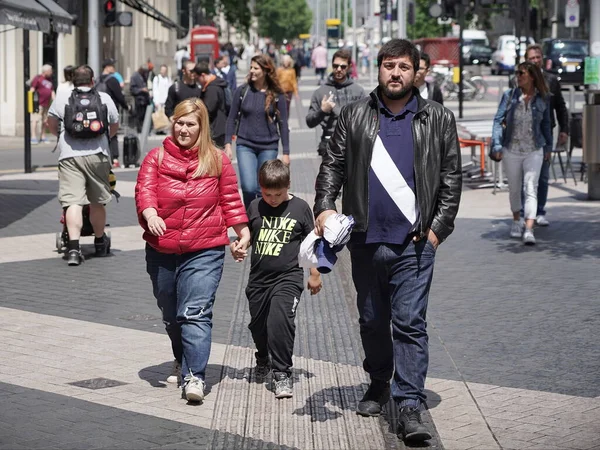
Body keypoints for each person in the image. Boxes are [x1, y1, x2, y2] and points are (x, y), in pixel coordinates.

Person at [313, 39, 462, 443]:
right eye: (388, 65)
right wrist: (324, 207)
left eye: (402, 67)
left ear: (416, 72)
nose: (395, 73)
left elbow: (451, 179)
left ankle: (409, 402)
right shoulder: (353, 115)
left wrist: (435, 232)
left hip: (414, 245)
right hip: (363, 240)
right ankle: (379, 381)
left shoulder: (438, 119)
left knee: (410, 323)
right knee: (372, 320)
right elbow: (333, 166)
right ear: (377, 69)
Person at [135, 98, 250, 401]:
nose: (183, 129)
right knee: (172, 314)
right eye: (179, 122)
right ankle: (181, 356)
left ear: (202, 127)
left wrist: (243, 232)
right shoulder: (155, 158)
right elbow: (144, 191)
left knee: (195, 312)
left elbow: (230, 200)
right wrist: (151, 215)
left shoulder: (217, 159)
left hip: (205, 248)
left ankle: (194, 377)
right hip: (162, 248)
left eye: (190, 124)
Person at [231, 159, 322, 398]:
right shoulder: (254, 207)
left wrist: (314, 274)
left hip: (288, 277)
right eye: (267, 193)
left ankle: (282, 373)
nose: (272, 199)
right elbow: (247, 236)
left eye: (278, 194)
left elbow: (311, 244)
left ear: (288, 185)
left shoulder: (301, 208)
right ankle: (263, 357)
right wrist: (239, 246)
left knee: (279, 322)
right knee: (258, 326)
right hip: (259, 279)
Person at [47, 65, 120, 266]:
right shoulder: (104, 98)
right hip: (98, 155)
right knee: (97, 201)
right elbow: (114, 124)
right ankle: (99, 242)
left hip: (70, 156)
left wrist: (61, 137)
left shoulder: (62, 97)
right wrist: (104, 139)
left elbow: (51, 123)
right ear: (92, 79)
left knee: (73, 201)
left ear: (73, 80)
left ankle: (73, 248)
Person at [491, 62, 551, 246]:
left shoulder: (542, 98)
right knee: (515, 189)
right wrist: (497, 145)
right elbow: (498, 120)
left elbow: (546, 124)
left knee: (530, 187)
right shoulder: (509, 96)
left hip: (534, 149)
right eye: (516, 73)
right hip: (512, 149)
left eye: (521, 73)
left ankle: (529, 228)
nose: (517, 76)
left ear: (532, 76)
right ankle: (517, 221)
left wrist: (548, 148)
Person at [224, 54, 290, 208]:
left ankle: (261, 222)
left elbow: (283, 123)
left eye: (256, 68)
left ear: (266, 70)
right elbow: (231, 118)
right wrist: (228, 144)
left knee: (265, 188)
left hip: (269, 146)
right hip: (245, 145)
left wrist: (286, 152)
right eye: (251, 67)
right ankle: (251, 219)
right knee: (248, 187)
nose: (252, 71)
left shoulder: (277, 94)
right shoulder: (242, 91)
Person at [523, 44, 569, 227]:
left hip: (545, 133)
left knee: (542, 175)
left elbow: (560, 106)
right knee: (525, 175)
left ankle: (539, 211)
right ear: (526, 60)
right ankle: (526, 212)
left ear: (542, 59)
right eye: (532, 58)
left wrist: (564, 129)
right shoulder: (520, 79)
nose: (535, 61)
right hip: (524, 133)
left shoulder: (551, 80)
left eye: (538, 57)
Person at [306, 49, 366, 157]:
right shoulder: (320, 92)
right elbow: (309, 122)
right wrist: (322, 111)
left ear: (349, 67)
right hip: (329, 144)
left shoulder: (358, 91)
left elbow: (365, 120)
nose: (338, 69)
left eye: (343, 67)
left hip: (353, 143)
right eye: (335, 66)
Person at [97, 59, 129, 167]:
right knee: (113, 132)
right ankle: (115, 159)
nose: (114, 68)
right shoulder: (112, 80)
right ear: (107, 67)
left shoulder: (97, 79)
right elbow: (119, 96)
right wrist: (126, 106)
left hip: (97, 109)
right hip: (110, 109)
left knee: (100, 132)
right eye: (112, 66)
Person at [194, 61, 229, 147]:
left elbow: (208, 108)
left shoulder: (212, 89)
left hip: (215, 129)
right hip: (219, 127)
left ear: (203, 75)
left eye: (197, 78)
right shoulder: (217, 84)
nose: (198, 82)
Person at [30, 64, 55, 144]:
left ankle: (43, 136)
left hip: (46, 104)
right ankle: (33, 137)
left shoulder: (50, 79)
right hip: (38, 104)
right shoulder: (38, 78)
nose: (51, 72)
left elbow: (52, 91)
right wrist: (31, 103)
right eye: (50, 71)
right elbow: (32, 90)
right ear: (45, 71)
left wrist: (55, 101)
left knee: (45, 120)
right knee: (35, 120)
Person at [130, 65, 151, 133]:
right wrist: (141, 90)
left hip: (145, 99)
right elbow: (132, 89)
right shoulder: (134, 76)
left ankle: (145, 129)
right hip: (139, 99)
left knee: (145, 116)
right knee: (139, 116)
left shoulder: (144, 75)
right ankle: (139, 129)